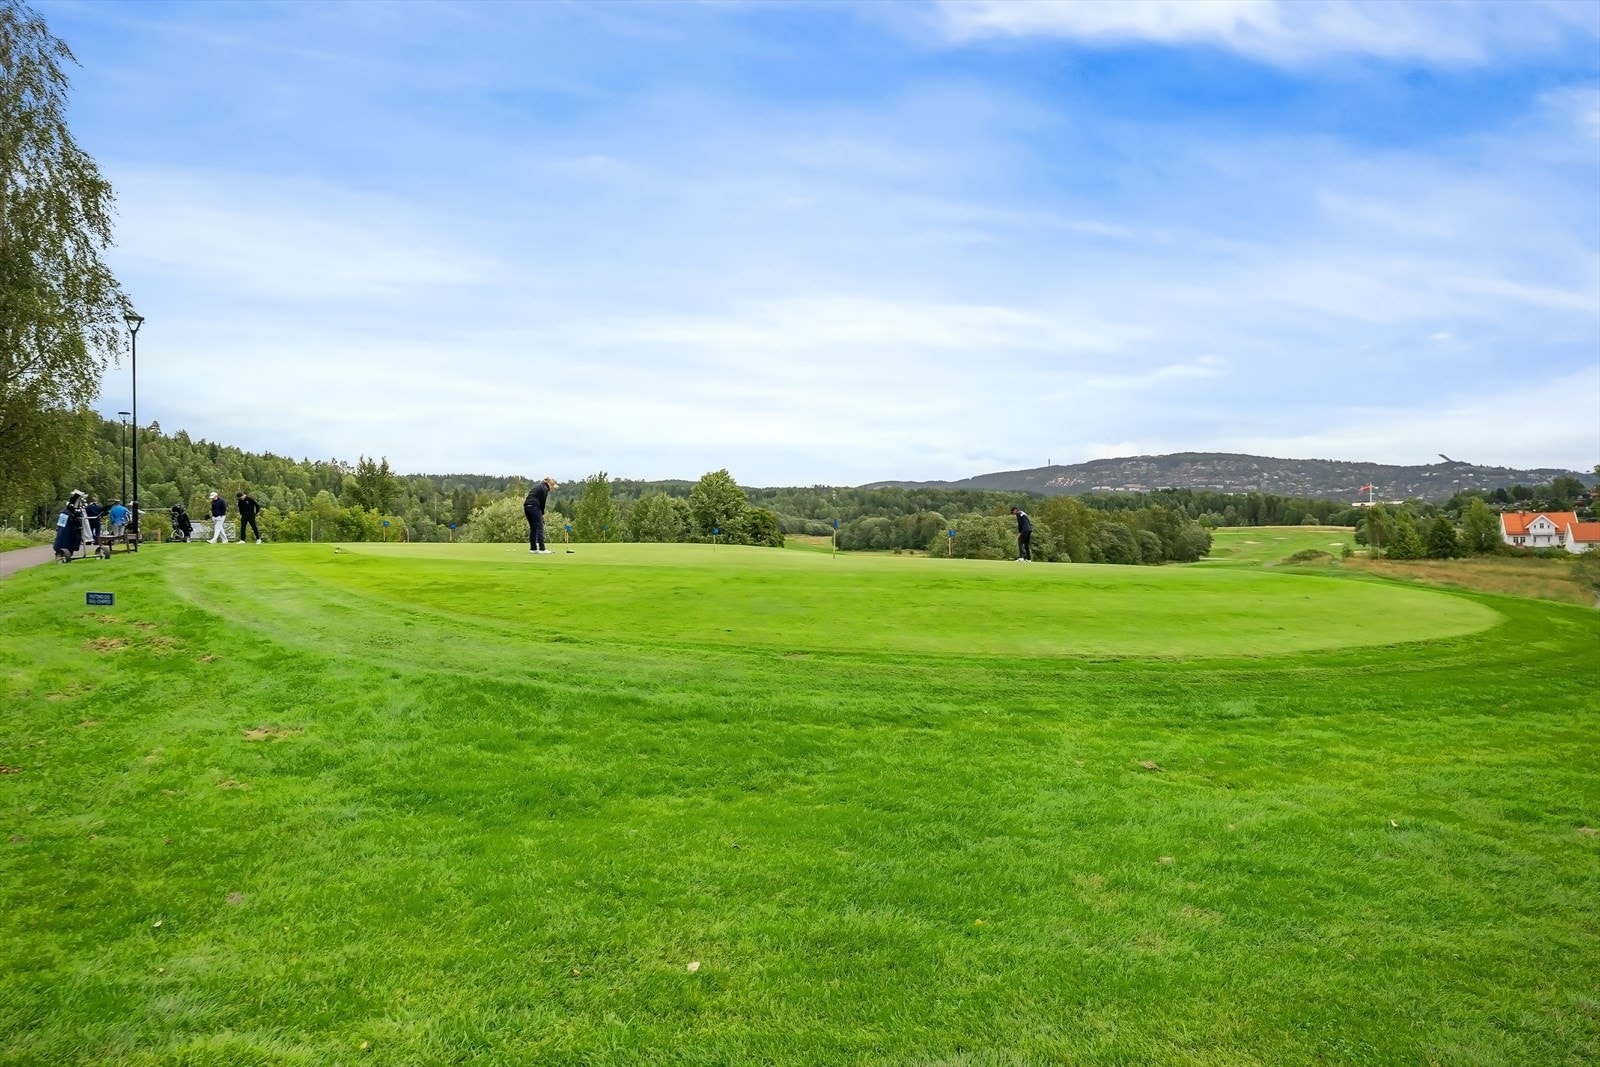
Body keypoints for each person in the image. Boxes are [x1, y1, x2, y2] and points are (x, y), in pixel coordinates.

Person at [524, 477, 557, 554]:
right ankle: (542, 549)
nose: (552, 489)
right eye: (552, 487)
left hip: (527, 507)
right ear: (549, 485)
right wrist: (542, 514)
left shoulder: (537, 486)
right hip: (534, 507)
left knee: (533, 528)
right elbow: (543, 503)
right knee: (539, 527)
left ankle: (533, 548)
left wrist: (541, 514)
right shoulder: (545, 489)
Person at [53, 491, 86, 562]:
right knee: (63, 537)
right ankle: (62, 554)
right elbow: (61, 527)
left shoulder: (73, 511)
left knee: (72, 540)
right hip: (66, 529)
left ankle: (68, 554)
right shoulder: (65, 513)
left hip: (72, 528)